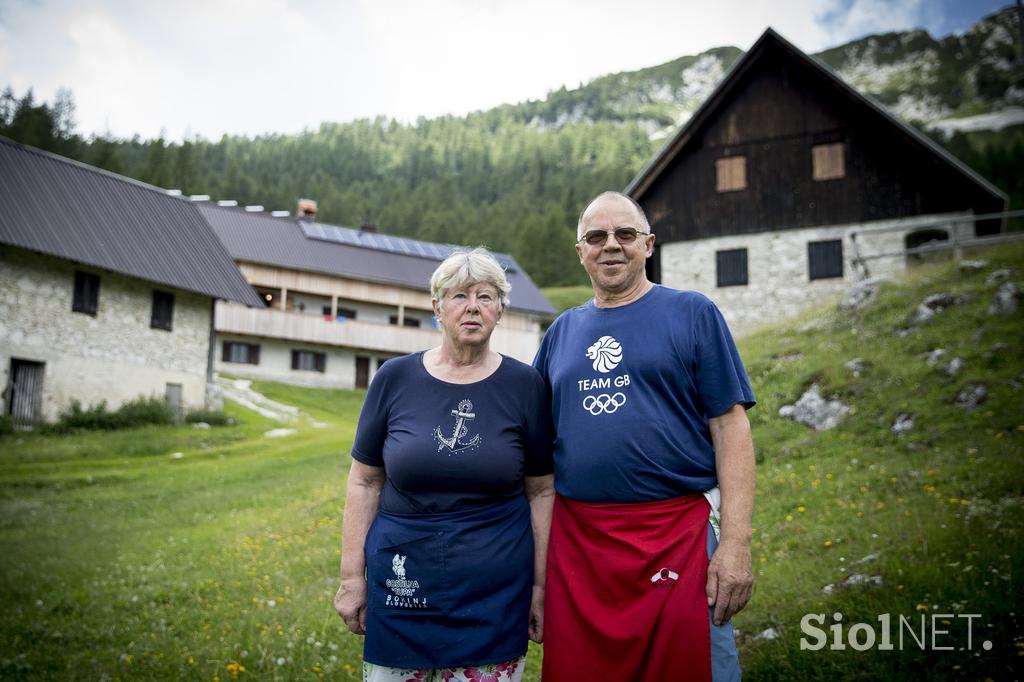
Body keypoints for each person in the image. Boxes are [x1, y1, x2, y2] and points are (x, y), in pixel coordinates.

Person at [533, 191, 756, 682]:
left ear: (648, 244)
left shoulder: (693, 313)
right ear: (580, 251)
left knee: (695, 665)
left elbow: (731, 427)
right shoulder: (560, 334)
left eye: (625, 234)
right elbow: (536, 458)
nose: (610, 245)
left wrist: (735, 544)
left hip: (677, 533)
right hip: (580, 547)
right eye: (596, 237)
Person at [334, 248, 555, 682]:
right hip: (402, 581)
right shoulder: (394, 379)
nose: (472, 307)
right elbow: (364, 481)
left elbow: (541, 491)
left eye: (486, 296)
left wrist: (540, 588)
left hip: (494, 588)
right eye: (458, 296)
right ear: (437, 307)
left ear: (501, 309)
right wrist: (350, 577)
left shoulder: (526, 386)